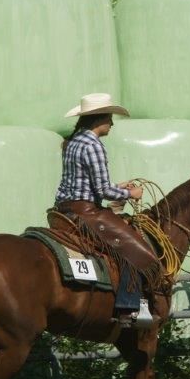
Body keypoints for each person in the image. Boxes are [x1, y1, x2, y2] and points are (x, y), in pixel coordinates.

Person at [53, 92, 158, 276]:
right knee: (131, 248)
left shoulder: (72, 142)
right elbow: (103, 191)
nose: (112, 123)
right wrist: (130, 194)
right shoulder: (93, 145)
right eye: (109, 118)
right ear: (98, 120)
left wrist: (118, 186)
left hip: (63, 209)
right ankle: (129, 301)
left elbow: (82, 182)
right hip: (85, 212)